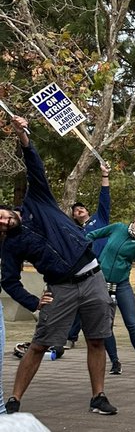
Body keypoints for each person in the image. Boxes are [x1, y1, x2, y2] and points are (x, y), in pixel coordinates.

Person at [0, 115, 116, 415]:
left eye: (1, 214)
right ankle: (13, 400)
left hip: (92, 278)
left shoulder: (36, 200)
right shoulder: (11, 246)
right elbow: (9, 281)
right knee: (39, 345)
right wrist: (34, 302)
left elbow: (33, 163)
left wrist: (22, 134)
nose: (3, 219)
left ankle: (98, 396)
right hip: (60, 289)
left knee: (96, 340)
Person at [86, 210, 135, 374]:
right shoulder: (118, 228)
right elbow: (92, 235)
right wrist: (89, 255)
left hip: (122, 285)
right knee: (106, 326)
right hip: (102, 284)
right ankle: (115, 362)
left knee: (132, 323)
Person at [66, 161, 112, 350]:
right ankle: (70, 337)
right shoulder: (76, 232)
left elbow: (105, 198)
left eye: (81, 208)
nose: (79, 210)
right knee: (80, 304)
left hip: (106, 268)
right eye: (76, 211)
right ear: (75, 217)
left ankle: (105, 340)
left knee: (104, 305)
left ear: (87, 211)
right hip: (87, 272)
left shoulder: (100, 219)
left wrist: (105, 176)